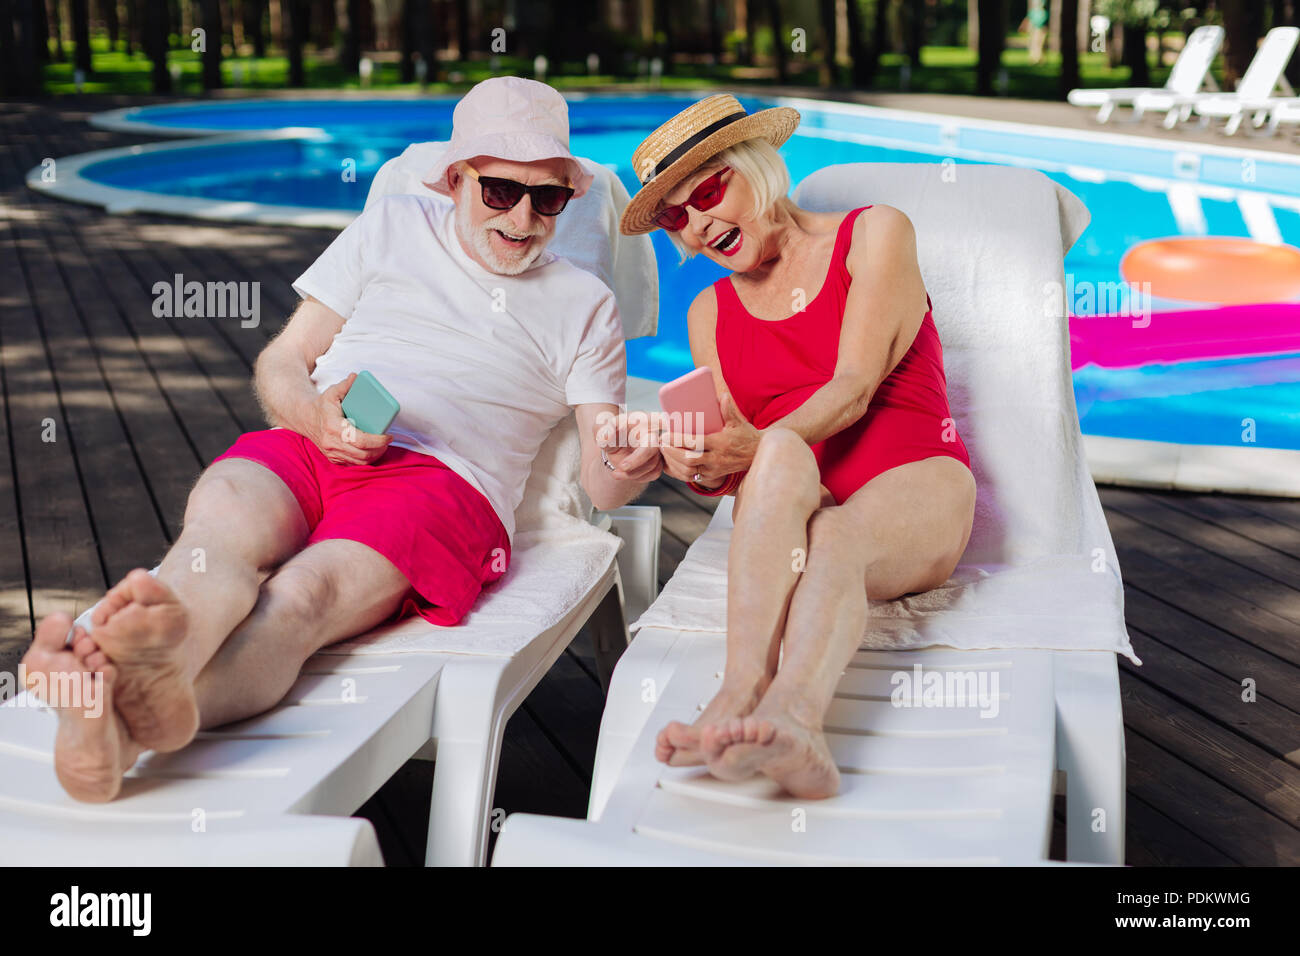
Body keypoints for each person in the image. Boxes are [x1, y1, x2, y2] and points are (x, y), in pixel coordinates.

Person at [22, 76, 660, 802]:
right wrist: (310, 414)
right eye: (499, 191)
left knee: (302, 596)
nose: (522, 217)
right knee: (220, 531)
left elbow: (605, 479)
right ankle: (145, 679)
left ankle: (122, 723)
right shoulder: (391, 225)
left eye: (547, 197)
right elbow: (283, 361)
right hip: (317, 439)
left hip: (445, 485)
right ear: (456, 180)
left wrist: (632, 461)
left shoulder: (585, 305)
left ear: (567, 198)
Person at [620, 94, 976, 799]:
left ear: (756, 165)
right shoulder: (709, 313)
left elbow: (852, 389)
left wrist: (753, 450)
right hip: (797, 501)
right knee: (783, 462)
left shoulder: (876, 233)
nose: (697, 225)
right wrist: (695, 460)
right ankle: (739, 694)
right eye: (675, 216)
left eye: (709, 193)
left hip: (915, 481)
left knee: (830, 522)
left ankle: (797, 720)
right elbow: (734, 461)